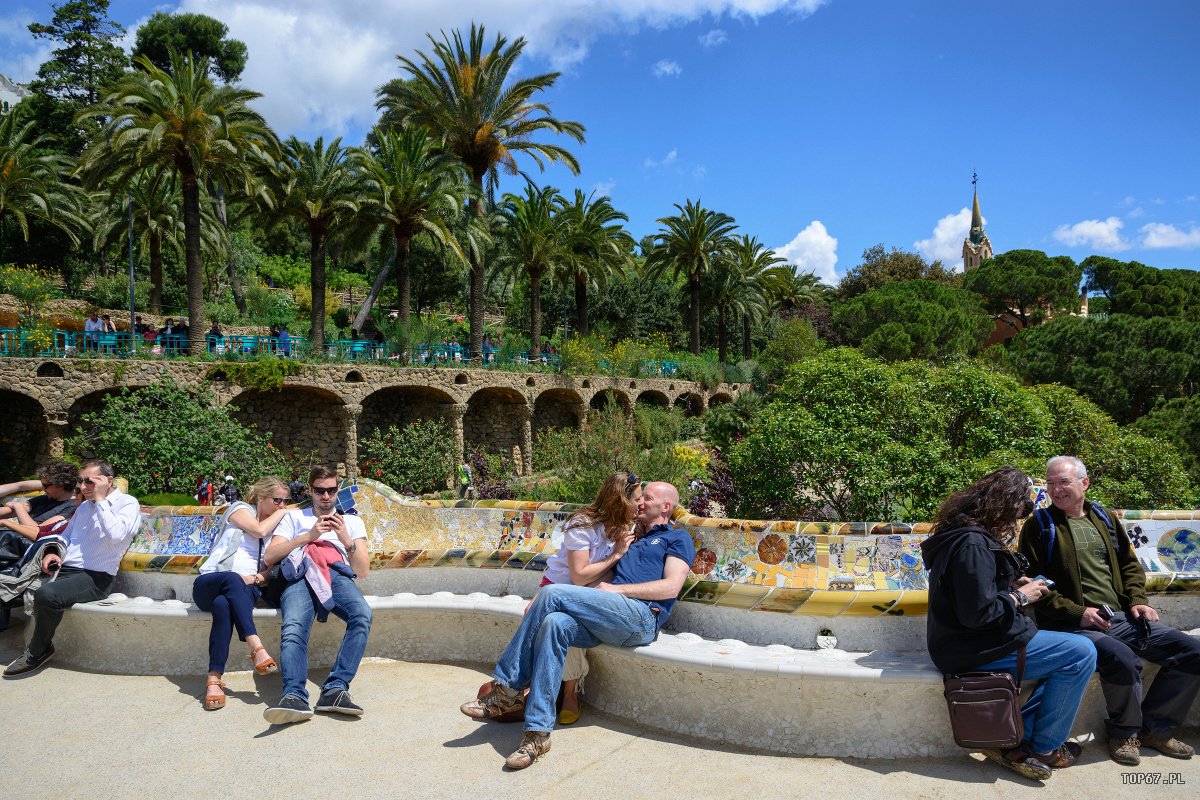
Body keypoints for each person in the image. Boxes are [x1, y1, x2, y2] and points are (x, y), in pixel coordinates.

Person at [461, 481, 693, 770]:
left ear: (666, 507)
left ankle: (507, 689)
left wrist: (616, 591)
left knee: (552, 594)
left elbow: (671, 587)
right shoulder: (627, 539)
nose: (639, 503)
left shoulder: (677, 538)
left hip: (641, 617)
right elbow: (588, 579)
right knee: (554, 623)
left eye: (647, 498)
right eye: (639, 498)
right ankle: (537, 733)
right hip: (608, 617)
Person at [1019, 455, 1200, 766]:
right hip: (1071, 624)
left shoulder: (1103, 517)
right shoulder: (1040, 526)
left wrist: (1138, 600)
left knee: (1192, 652)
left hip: (1121, 616)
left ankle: (1155, 729)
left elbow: (1130, 564)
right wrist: (1080, 612)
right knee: (1123, 659)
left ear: (1084, 483)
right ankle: (1124, 733)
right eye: (1050, 483)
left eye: (1064, 482)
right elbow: (1034, 585)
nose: (1056, 489)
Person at [921, 467, 1096, 782]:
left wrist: (1009, 584)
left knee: (1069, 652)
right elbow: (976, 614)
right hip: (971, 649)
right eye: (1021, 507)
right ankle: (1043, 747)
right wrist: (1022, 597)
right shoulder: (972, 544)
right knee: (1081, 652)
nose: (1021, 515)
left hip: (965, 642)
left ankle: (1015, 735)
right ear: (1004, 502)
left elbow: (975, 592)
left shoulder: (964, 534)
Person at [4, 460, 142, 677]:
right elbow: (66, 537)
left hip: (96, 577)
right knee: (12, 585)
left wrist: (100, 499)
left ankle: (38, 650)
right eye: (81, 481)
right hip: (66, 570)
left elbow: (116, 535)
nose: (83, 486)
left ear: (108, 480)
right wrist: (53, 552)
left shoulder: (127, 503)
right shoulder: (85, 507)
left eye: (90, 481)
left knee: (47, 594)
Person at [261, 465, 372, 724]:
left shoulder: (352, 522)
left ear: (337, 491)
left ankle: (335, 689)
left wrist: (345, 538)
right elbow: (270, 557)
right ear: (310, 490)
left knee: (362, 614)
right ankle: (294, 695)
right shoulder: (294, 518)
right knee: (293, 627)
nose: (326, 496)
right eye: (320, 491)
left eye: (331, 490)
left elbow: (362, 570)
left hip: (335, 574)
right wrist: (308, 536)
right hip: (300, 573)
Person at [538, 471, 641, 724]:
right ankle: (562, 692)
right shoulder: (582, 524)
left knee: (570, 622)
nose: (641, 504)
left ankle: (568, 691)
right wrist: (616, 554)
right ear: (622, 501)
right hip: (559, 588)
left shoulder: (624, 526)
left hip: (590, 587)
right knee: (561, 619)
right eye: (637, 499)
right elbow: (579, 576)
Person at [192, 476, 291, 710]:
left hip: (245, 588)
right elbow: (257, 530)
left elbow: (272, 570)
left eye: (286, 502)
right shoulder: (239, 509)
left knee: (222, 606)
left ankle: (214, 680)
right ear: (261, 496)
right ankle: (256, 646)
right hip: (212, 581)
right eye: (278, 500)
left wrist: (256, 578)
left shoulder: (278, 530)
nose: (282, 506)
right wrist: (284, 513)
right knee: (231, 579)